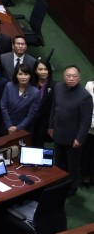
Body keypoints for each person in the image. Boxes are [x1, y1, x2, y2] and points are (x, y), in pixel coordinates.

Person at [49, 65, 94, 194]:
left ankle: (71, 188)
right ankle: (58, 183)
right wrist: (51, 126)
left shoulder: (85, 96)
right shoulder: (58, 87)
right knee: (59, 162)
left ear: (79, 78)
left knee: (72, 166)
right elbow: (54, 108)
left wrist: (79, 138)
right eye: (68, 75)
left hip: (73, 138)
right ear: (64, 76)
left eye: (74, 76)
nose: (71, 78)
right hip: (58, 133)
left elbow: (85, 121)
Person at [1, 64, 41, 135]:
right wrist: (9, 126)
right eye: (20, 74)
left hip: (24, 129)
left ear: (30, 76)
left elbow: (31, 115)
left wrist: (18, 128)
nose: (23, 77)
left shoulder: (35, 93)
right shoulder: (9, 86)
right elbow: (3, 106)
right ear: (16, 75)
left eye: (26, 74)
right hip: (6, 127)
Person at [33, 59, 55, 146]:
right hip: (30, 124)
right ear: (35, 70)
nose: (43, 72)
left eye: (46, 69)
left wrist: (51, 126)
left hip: (44, 125)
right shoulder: (31, 84)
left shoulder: (55, 86)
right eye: (40, 69)